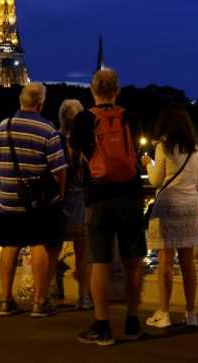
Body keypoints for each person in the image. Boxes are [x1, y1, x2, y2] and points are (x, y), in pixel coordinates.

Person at [70, 68, 147, 346]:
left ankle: (102, 324)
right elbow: (136, 153)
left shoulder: (84, 119)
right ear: (117, 90)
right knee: (133, 261)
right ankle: (133, 320)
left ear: (92, 90)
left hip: (99, 196)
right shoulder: (130, 117)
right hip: (131, 195)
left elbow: (74, 157)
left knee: (100, 262)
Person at [0, 82, 67, 319]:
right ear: (41, 103)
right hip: (38, 202)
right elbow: (59, 170)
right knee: (39, 244)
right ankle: (39, 301)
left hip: (9, 199)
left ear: (20, 100)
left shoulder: (4, 126)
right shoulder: (48, 130)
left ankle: (5, 300)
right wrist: (59, 194)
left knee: (9, 246)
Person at [141, 105, 198, 328]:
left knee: (165, 262)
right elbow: (196, 180)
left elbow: (156, 181)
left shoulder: (163, 147)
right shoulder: (196, 150)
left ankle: (164, 312)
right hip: (189, 206)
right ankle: (191, 313)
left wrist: (149, 165)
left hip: (167, 206)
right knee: (188, 263)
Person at [58, 98, 92, 310]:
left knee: (52, 248)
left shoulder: (56, 139)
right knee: (83, 252)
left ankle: (50, 292)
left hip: (60, 200)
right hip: (83, 199)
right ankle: (84, 297)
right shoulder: (88, 142)